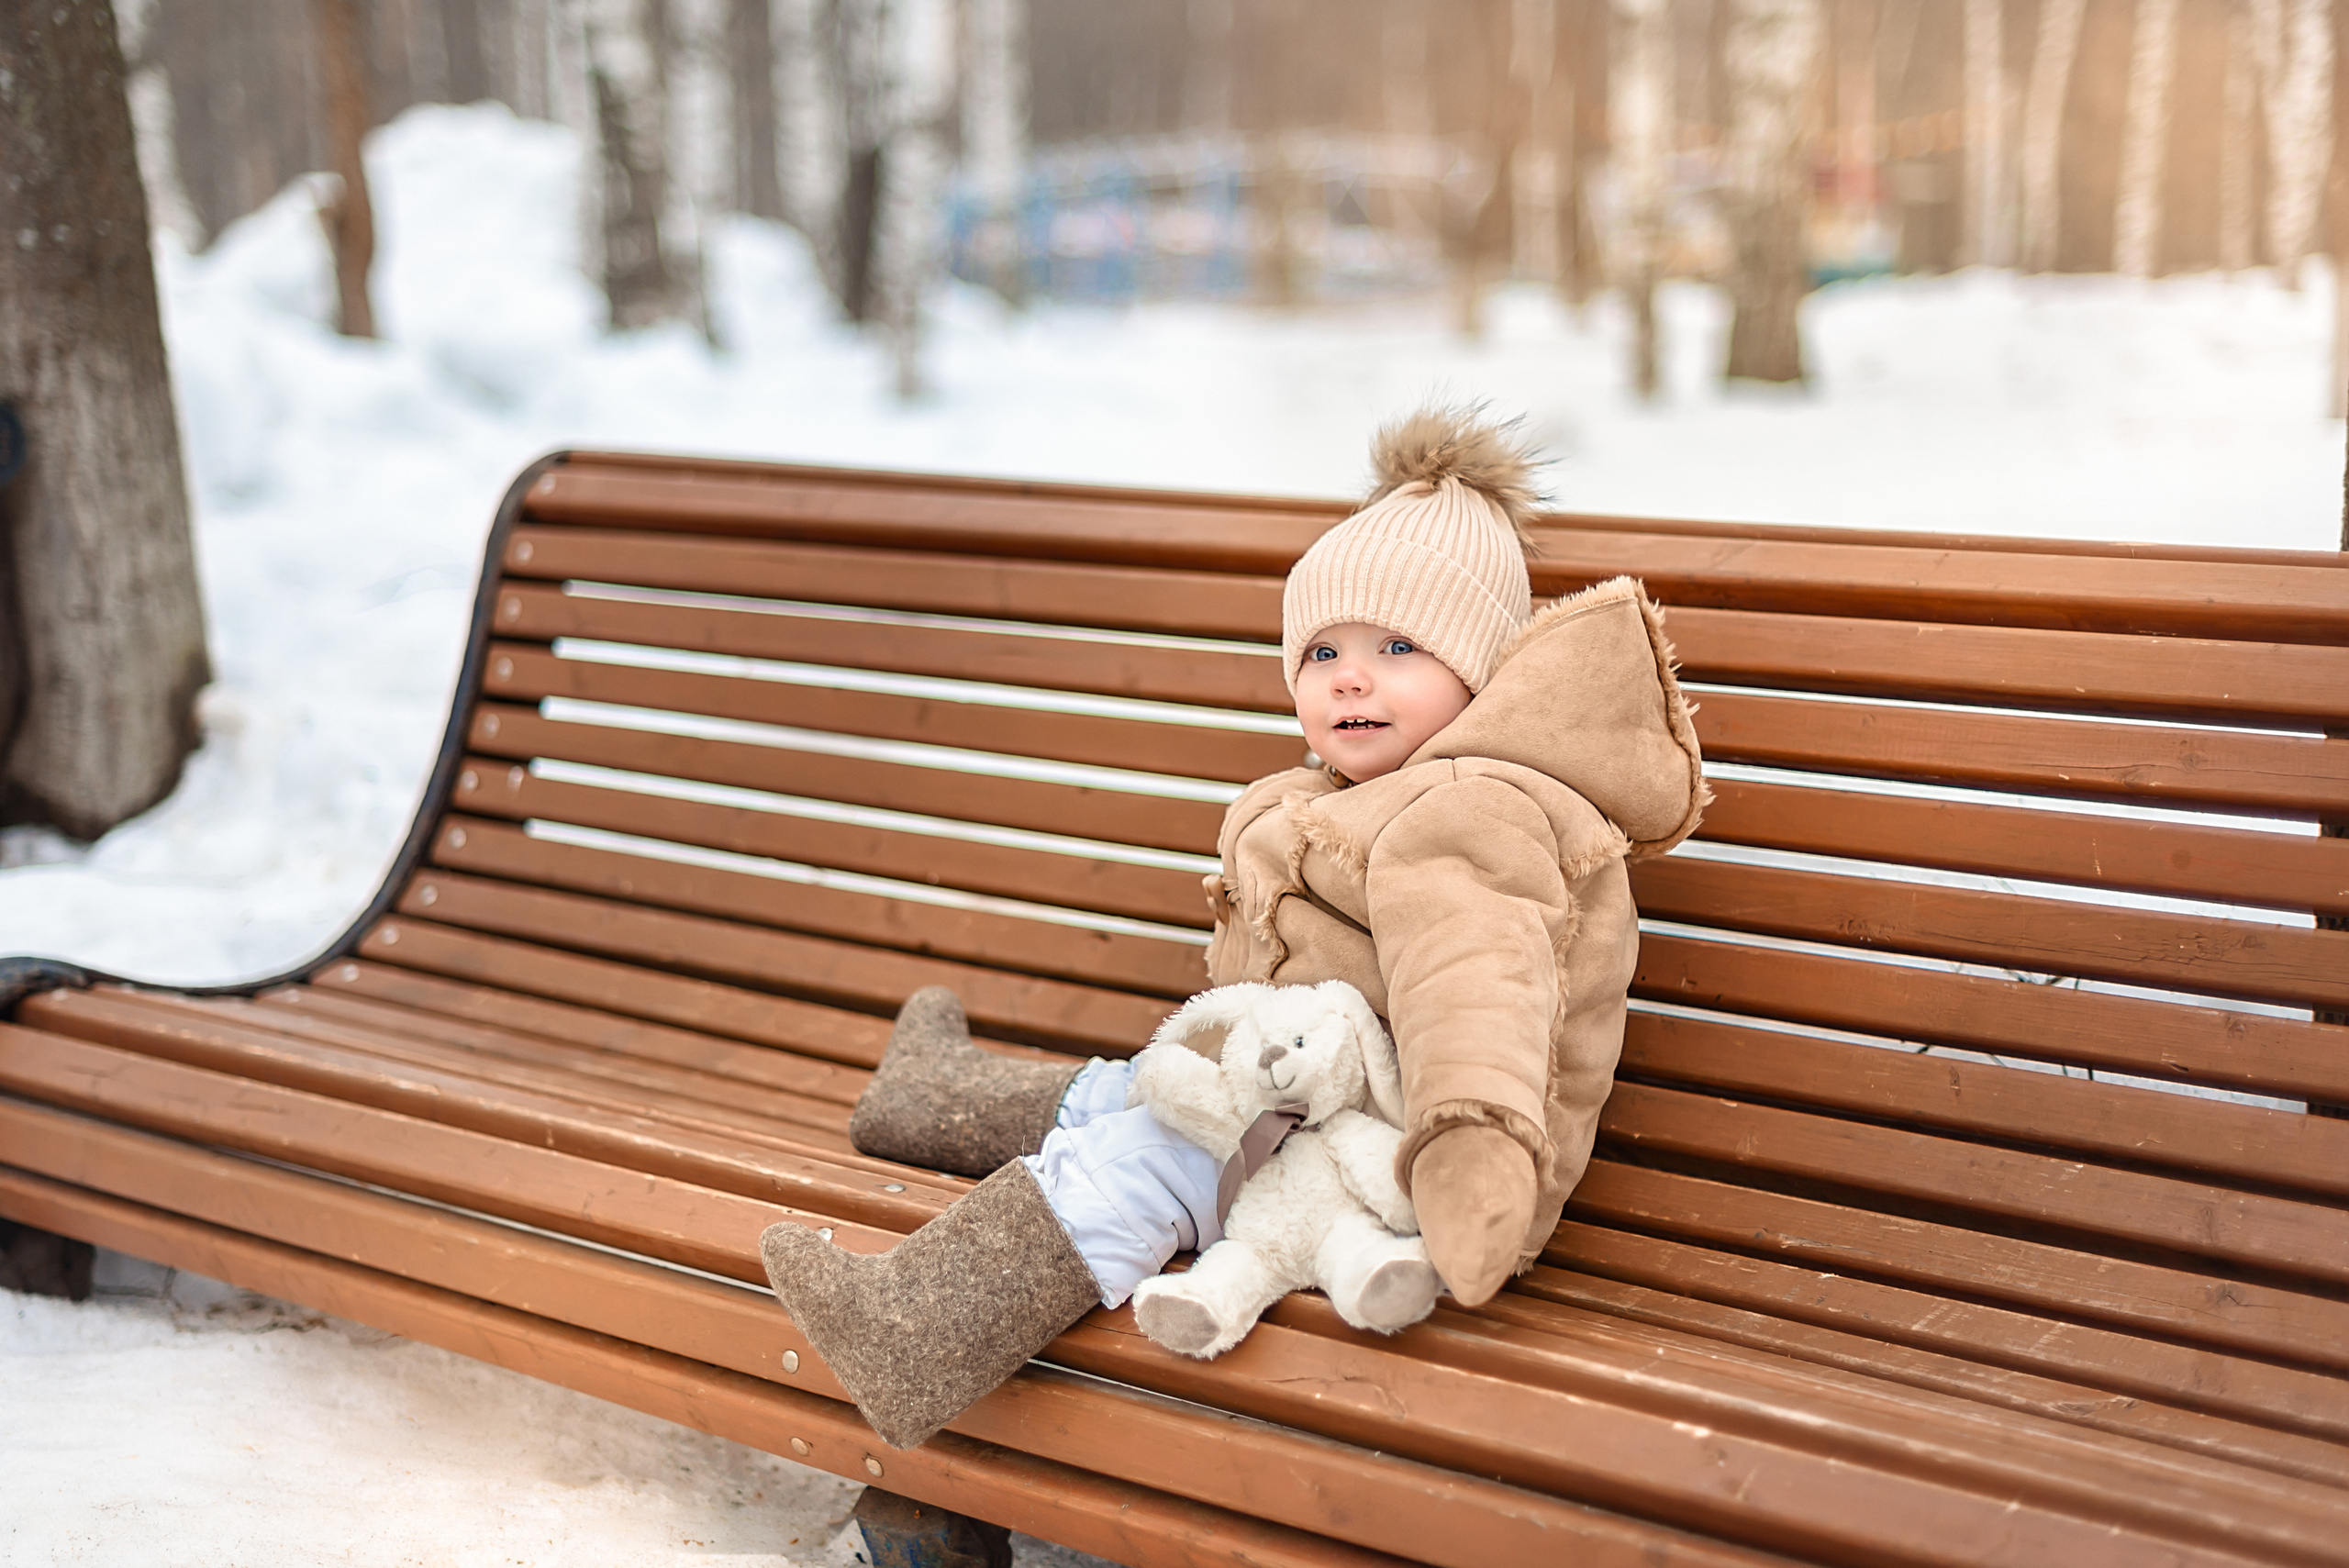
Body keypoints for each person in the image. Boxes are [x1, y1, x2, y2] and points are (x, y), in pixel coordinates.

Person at [759, 404, 1707, 1448]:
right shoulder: (1376, 794)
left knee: (1142, 1158)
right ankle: (929, 1099)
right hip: (1311, 1100)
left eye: (1399, 646)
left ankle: (913, 1324)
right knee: (1137, 1094)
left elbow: (1474, 993)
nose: (1350, 675)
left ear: (1480, 674)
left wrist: (1468, 1163)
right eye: (1323, 651)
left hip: (1393, 1159)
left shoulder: (1470, 812)